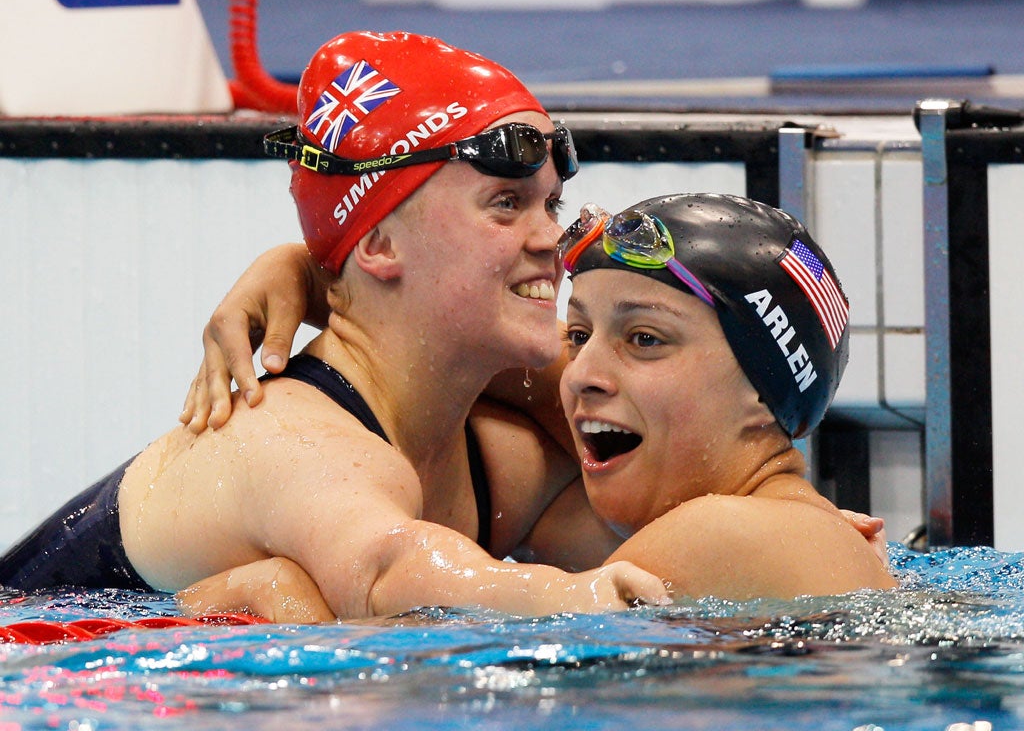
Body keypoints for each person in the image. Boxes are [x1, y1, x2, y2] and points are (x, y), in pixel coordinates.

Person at [0, 31, 671, 617]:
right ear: (378, 245)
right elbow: (384, 574)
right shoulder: (292, 439)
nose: (550, 237)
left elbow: (670, 548)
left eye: (552, 204)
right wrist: (569, 597)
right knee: (284, 598)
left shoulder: (495, 463)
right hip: (42, 673)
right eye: (505, 204)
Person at [175, 193, 895, 622]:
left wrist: (284, 611)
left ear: (763, 396)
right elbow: (446, 357)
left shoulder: (723, 535)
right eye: (577, 333)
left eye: (644, 339)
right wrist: (306, 270)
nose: (581, 372)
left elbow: (437, 697)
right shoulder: (782, 531)